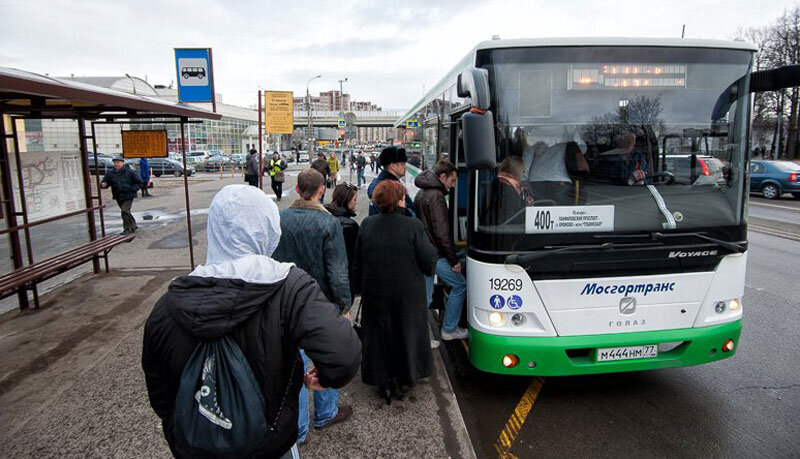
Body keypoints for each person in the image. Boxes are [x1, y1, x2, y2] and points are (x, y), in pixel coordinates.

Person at [142, 184, 360, 458]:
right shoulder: (290, 287)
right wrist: (326, 378)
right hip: (268, 444)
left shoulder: (167, 306)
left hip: (195, 447)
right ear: (267, 226)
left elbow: (160, 393)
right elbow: (343, 354)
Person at [271, 169, 353, 443]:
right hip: (321, 304)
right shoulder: (329, 223)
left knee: (294, 366)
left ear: (296, 189)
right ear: (322, 190)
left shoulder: (280, 219)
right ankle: (325, 413)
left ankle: (299, 430)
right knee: (325, 358)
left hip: (285, 302)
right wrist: (344, 305)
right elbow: (337, 271)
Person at [354, 180, 437, 404]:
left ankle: (382, 380)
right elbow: (428, 261)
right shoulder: (413, 226)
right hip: (407, 294)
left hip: (375, 292)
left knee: (380, 337)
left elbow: (358, 261)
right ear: (400, 200)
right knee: (406, 334)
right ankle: (405, 376)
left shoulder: (367, 224)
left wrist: (358, 288)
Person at [414, 159, 468, 341]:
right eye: (452, 181)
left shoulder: (422, 192)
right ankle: (449, 329)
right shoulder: (437, 196)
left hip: (425, 252)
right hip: (435, 255)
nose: (453, 186)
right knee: (460, 285)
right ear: (443, 177)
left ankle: (423, 337)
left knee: (426, 297)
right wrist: (453, 260)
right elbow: (442, 233)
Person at [324, 182, 359, 303]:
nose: (355, 203)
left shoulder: (325, 217)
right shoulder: (350, 226)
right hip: (343, 280)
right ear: (346, 200)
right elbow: (353, 258)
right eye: (354, 200)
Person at [483, 156, 532, 227]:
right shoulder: (507, 189)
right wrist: (527, 207)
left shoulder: (498, 184)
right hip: (504, 231)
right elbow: (512, 218)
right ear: (517, 172)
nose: (523, 173)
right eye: (522, 170)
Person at [367, 146, 415, 217]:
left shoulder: (382, 186)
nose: (405, 167)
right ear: (393, 166)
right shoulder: (389, 190)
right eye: (402, 164)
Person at [101, 156, 142, 235]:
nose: (116, 164)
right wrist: (103, 184)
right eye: (115, 163)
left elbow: (139, 182)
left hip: (129, 195)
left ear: (122, 163)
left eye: (118, 162)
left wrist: (132, 189)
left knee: (124, 211)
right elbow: (106, 181)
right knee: (126, 212)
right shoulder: (111, 173)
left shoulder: (130, 172)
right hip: (118, 195)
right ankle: (133, 225)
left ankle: (127, 228)